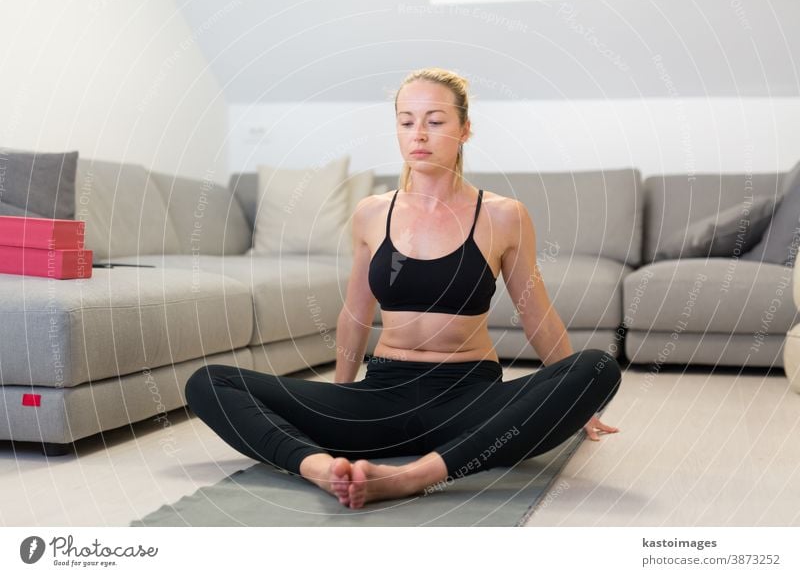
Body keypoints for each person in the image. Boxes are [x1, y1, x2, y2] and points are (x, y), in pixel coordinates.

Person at [185, 67, 622, 510]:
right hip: (382, 397)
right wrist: (338, 397)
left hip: (471, 401)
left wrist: (576, 402)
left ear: (465, 129)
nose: (419, 134)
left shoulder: (504, 215)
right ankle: (319, 468)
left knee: (598, 368)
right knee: (209, 382)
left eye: (435, 121)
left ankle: (413, 477)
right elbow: (355, 313)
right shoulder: (372, 214)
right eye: (406, 121)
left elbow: (537, 315)